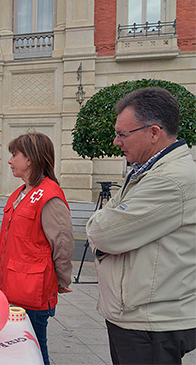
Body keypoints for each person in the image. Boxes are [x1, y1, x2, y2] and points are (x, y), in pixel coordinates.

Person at [86, 88, 196, 365]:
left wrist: (100, 227)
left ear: (154, 132)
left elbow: (103, 232)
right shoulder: (148, 170)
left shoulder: (169, 180)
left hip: (150, 321)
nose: (115, 141)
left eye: (123, 134)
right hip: (139, 314)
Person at [0, 132, 75, 365]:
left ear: (30, 159)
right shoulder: (20, 193)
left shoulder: (49, 195)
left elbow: (62, 242)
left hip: (33, 290)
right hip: (12, 286)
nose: (9, 161)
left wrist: (62, 279)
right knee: (19, 351)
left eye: (14, 155)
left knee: (35, 351)